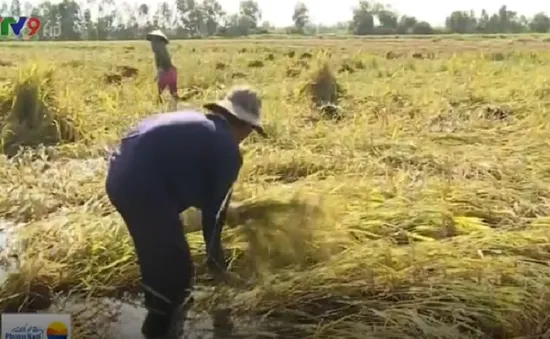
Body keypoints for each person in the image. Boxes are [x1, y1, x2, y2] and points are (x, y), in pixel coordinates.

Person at [105, 86, 266, 339]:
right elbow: (214, 215)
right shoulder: (227, 149)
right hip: (144, 187)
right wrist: (217, 266)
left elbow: (195, 188)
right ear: (246, 127)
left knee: (157, 257)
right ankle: (163, 325)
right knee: (178, 273)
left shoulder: (197, 125)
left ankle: (157, 315)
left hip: (118, 176)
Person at [146, 30, 178, 104]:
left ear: (159, 44)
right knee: (173, 93)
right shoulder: (162, 52)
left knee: (160, 93)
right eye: (152, 42)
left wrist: (157, 76)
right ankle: (175, 105)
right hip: (172, 72)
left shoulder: (160, 53)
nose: (152, 44)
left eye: (153, 43)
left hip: (167, 73)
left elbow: (162, 66)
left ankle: (161, 106)